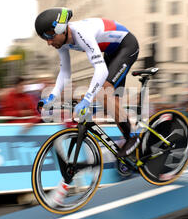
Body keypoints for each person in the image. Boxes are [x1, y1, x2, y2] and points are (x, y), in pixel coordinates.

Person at [35, 8, 140, 157]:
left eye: (50, 37)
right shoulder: (62, 41)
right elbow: (65, 72)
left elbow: (101, 70)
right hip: (111, 52)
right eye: (45, 39)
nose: (49, 42)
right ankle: (134, 147)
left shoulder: (81, 33)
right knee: (112, 103)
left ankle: (133, 138)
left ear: (61, 29)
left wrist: (87, 99)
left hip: (127, 46)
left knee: (104, 93)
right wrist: (51, 97)